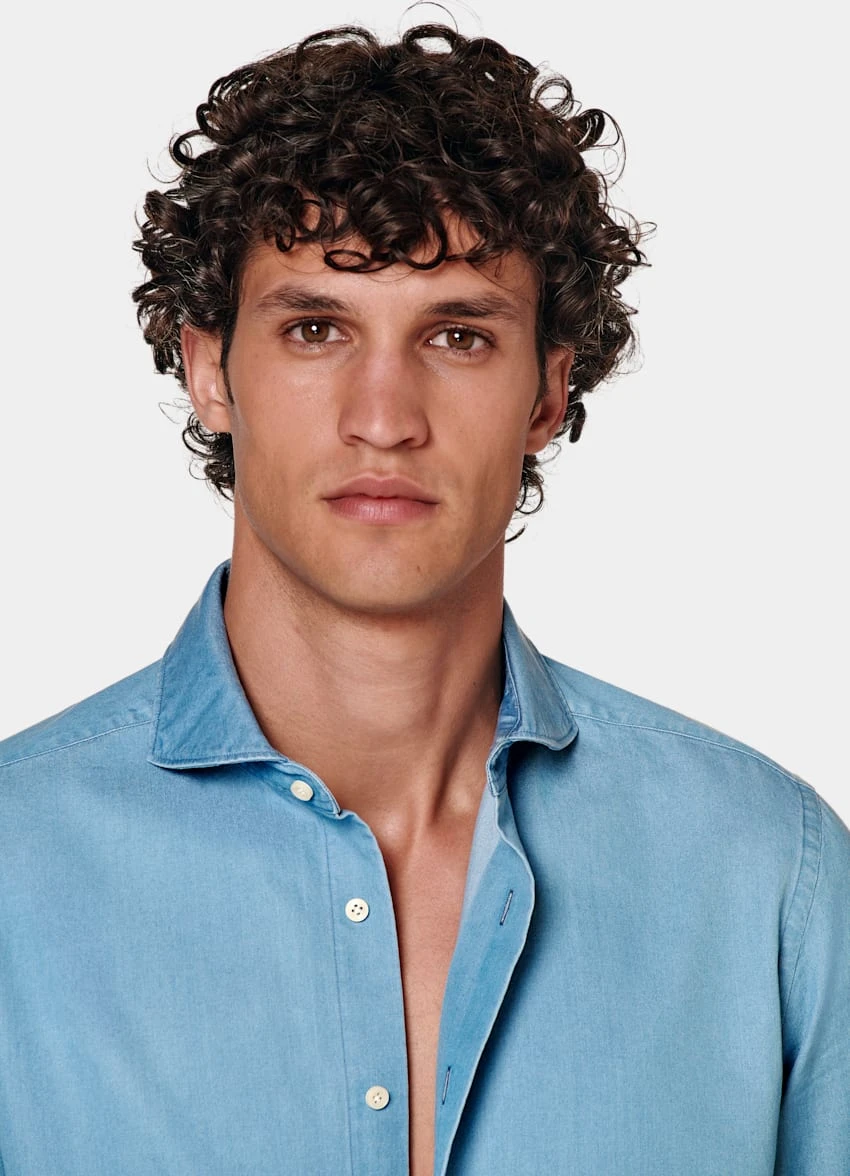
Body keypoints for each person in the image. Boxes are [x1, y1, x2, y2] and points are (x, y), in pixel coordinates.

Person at [0, 21, 847, 1176]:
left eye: (456, 335)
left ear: (547, 391)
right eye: (315, 329)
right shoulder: (16, 873)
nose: (384, 417)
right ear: (209, 371)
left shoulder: (767, 878)